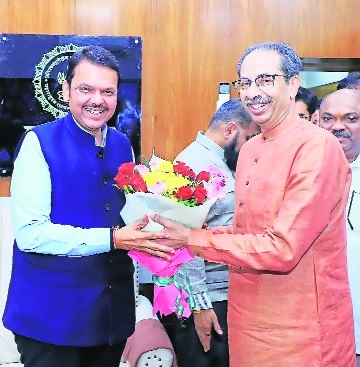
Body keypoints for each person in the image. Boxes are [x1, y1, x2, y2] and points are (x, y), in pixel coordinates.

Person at [151, 41, 356, 367]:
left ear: (293, 84)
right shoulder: (249, 149)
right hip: (245, 318)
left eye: (265, 80)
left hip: (298, 330)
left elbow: (282, 247)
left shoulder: (318, 148)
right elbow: (250, 231)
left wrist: (192, 238)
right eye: (245, 83)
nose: (252, 92)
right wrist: (197, 230)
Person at [2, 45, 172, 367]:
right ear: (66, 91)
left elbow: (130, 214)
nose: (98, 99)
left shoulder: (123, 144)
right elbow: (30, 234)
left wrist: (163, 235)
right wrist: (112, 239)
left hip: (109, 318)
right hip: (50, 321)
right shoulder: (39, 143)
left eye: (107, 91)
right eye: (86, 89)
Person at [173, 98, 259, 367]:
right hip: (209, 300)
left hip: (228, 294)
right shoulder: (193, 166)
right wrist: (200, 305)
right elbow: (185, 242)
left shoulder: (223, 162)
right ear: (230, 129)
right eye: (250, 136)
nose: (253, 144)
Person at [319, 88, 360, 367]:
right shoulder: (298, 173)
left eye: (351, 118)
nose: (338, 127)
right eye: (328, 118)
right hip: (316, 322)